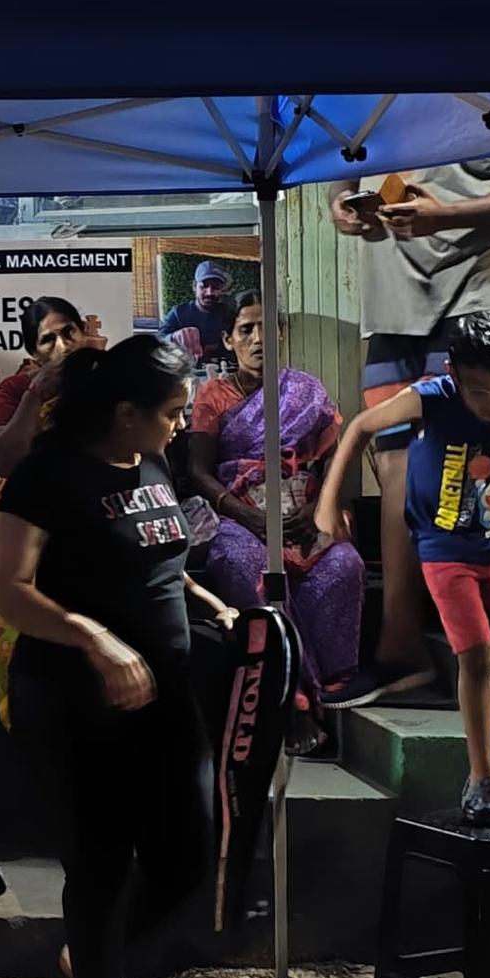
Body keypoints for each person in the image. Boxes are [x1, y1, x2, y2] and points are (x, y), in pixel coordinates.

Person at [0, 331, 214, 978]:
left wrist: (212, 605)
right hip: (76, 701)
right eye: (172, 411)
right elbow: (6, 586)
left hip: (167, 695)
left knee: (190, 855)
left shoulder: (152, 461)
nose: (182, 424)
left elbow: (155, 555)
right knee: (101, 869)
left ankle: (93, 957)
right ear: (125, 412)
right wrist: (94, 638)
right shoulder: (47, 475)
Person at [313, 304, 490, 828]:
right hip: (444, 547)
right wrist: (327, 502)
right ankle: (480, 781)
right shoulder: (432, 398)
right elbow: (360, 427)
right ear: (452, 374)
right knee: (474, 654)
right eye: (480, 392)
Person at [329, 146, 490, 693]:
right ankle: (401, 645)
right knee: (396, 470)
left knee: (467, 463)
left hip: (476, 293)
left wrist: (448, 215)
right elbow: (343, 176)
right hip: (393, 306)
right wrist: (341, 203)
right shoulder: (365, 105)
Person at [187, 285, 367, 698]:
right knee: (241, 562)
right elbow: (198, 470)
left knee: (345, 564)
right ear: (228, 339)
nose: (258, 339)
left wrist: (318, 508)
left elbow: (333, 459)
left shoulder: (306, 389)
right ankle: (292, 682)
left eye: (266, 327)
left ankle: (333, 680)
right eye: (246, 329)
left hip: (303, 513)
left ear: (281, 333)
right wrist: (248, 516)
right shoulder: (213, 396)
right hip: (240, 517)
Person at [0, 294, 98, 476]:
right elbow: (4, 464)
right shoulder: (15, 388)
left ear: (83, 332)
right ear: (34, 353)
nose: (63, 346)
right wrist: (34, 395)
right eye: (48, 340)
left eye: (69, 332)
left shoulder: (108, 378)